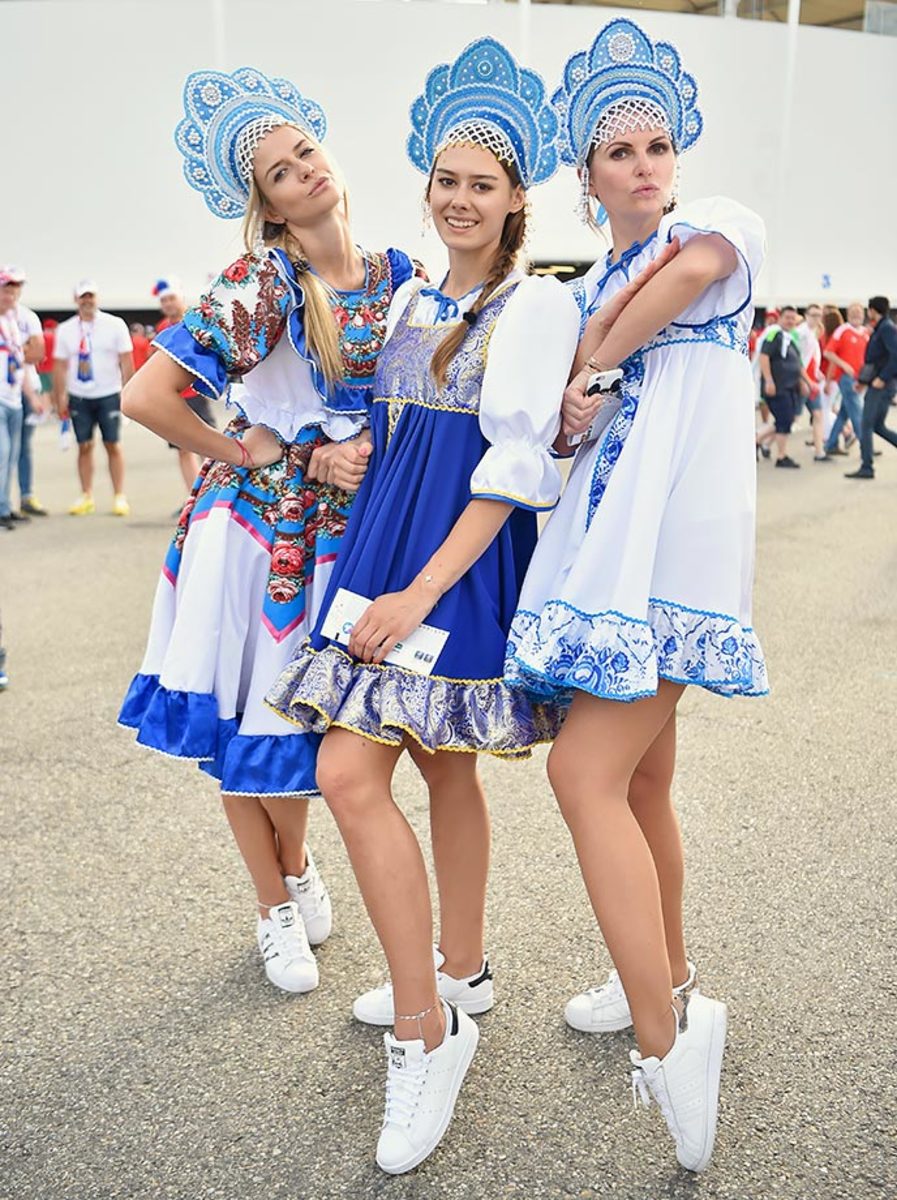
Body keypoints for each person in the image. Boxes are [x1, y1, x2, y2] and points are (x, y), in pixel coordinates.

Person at [267, 38, 577, 1174]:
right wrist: (337, 459)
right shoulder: (405, 295)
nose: (457, 199)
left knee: (369, 775)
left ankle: (428, 1021)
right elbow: (384, 429)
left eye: (480, 185)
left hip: (449, 567)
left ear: (514, 202)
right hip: (378, 557)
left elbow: (513, 471)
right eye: (445, 180)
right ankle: (461, 970)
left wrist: (419, 590)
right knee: (411, 770)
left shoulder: (534, 308)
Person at [505, 18, 767, 1173]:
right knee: (644, 775)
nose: (645, 164)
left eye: (658, 143)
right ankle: (662, 970)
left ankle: (672, 1043)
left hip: (675, 553)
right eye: (620, 152)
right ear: (587, 176)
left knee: (583, 773)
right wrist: (589, 362)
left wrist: (597, 355)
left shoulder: (724, 226)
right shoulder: (595, 279)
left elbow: (692, 281)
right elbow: (570, 419)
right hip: (613, 549)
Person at [119, 67, 422, 994]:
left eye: (306, 153)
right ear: (268, 205)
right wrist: (258, 452)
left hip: (349, 532)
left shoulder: (396, 274)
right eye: (281, 173)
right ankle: (274, 902)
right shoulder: (265, 280)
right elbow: (147, 397)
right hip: (256, 534)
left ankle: (292, 868)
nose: (303, 173)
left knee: (309, 733)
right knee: (251, 723)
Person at [53, 280, 134, 515]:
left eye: (91, 296)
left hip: (108, 392)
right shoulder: (66, 329)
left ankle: (119, 495)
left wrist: (128, 392)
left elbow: (126, 361)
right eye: (82, 297)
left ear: (97, 298)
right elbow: (58, 366)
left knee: (112, 444)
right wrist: (59, 398)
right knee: (84, 445)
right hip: (79, 395)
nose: (87, 300)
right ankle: (86, 494)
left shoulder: (114, 324)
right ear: (76, 300)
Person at [151, 276, 218, 501]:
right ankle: (193, 497)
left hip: (195, 393)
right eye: (164, 301)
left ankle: (212, 494)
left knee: (208, 445)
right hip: (173, 398)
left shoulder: (194, 320)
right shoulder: (161, 328)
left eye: (171, 299)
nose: (168, 304)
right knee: (182, 448)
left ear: (181, 298)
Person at [845, 295, 897, 480]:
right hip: (877, 383)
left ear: (873, 310)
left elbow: (895, 355)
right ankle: (866, 465)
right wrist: (863, 381)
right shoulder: (881, 328)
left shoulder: (887, 329)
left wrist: (882, 378)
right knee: (877, 426)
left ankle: (867, 467)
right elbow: (876, 360)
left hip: (882, 385)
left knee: (866, 424)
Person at [756, 305, 813, 468]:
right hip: (777, 387)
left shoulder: (790, 337)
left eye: (793, 318)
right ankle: (781, 456)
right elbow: (764, 356)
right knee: (784, 420)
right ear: (780, 318)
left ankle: (757, 441)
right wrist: (768, 380)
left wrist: (806, 382)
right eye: (787, 317)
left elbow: (798, 363)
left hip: (790, 387)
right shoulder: (775, 334)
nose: (790, 321)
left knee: (786, 420)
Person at [13, 271, 49, 517]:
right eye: (7, 285)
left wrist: (12, 352)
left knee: (23, 446)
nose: (12, 290)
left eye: (17, 285)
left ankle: (26, 495)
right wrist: (20, 349)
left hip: (26, 387)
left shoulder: (27, 317)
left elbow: (38, 353)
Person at [823, 302, 870, 458]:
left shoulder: (865, 333)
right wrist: (844, 365)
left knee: (844, 413)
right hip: (846, 378)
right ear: (848, 314)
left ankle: (831, 444)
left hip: (860, 378)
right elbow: (828, 352)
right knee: (857, 412)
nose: (857, 314)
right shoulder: (842, 331)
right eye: (853, 312)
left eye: (859, 312)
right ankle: (866, 446)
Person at [0, 268, 26, 531]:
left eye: (14, 290)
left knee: (11, 457)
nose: (10, 295)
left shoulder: (12, 321)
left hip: (14, 398)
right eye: (6, 289)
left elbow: (19, 361)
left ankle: (5, 506)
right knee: (2, 455)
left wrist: (32, 394)